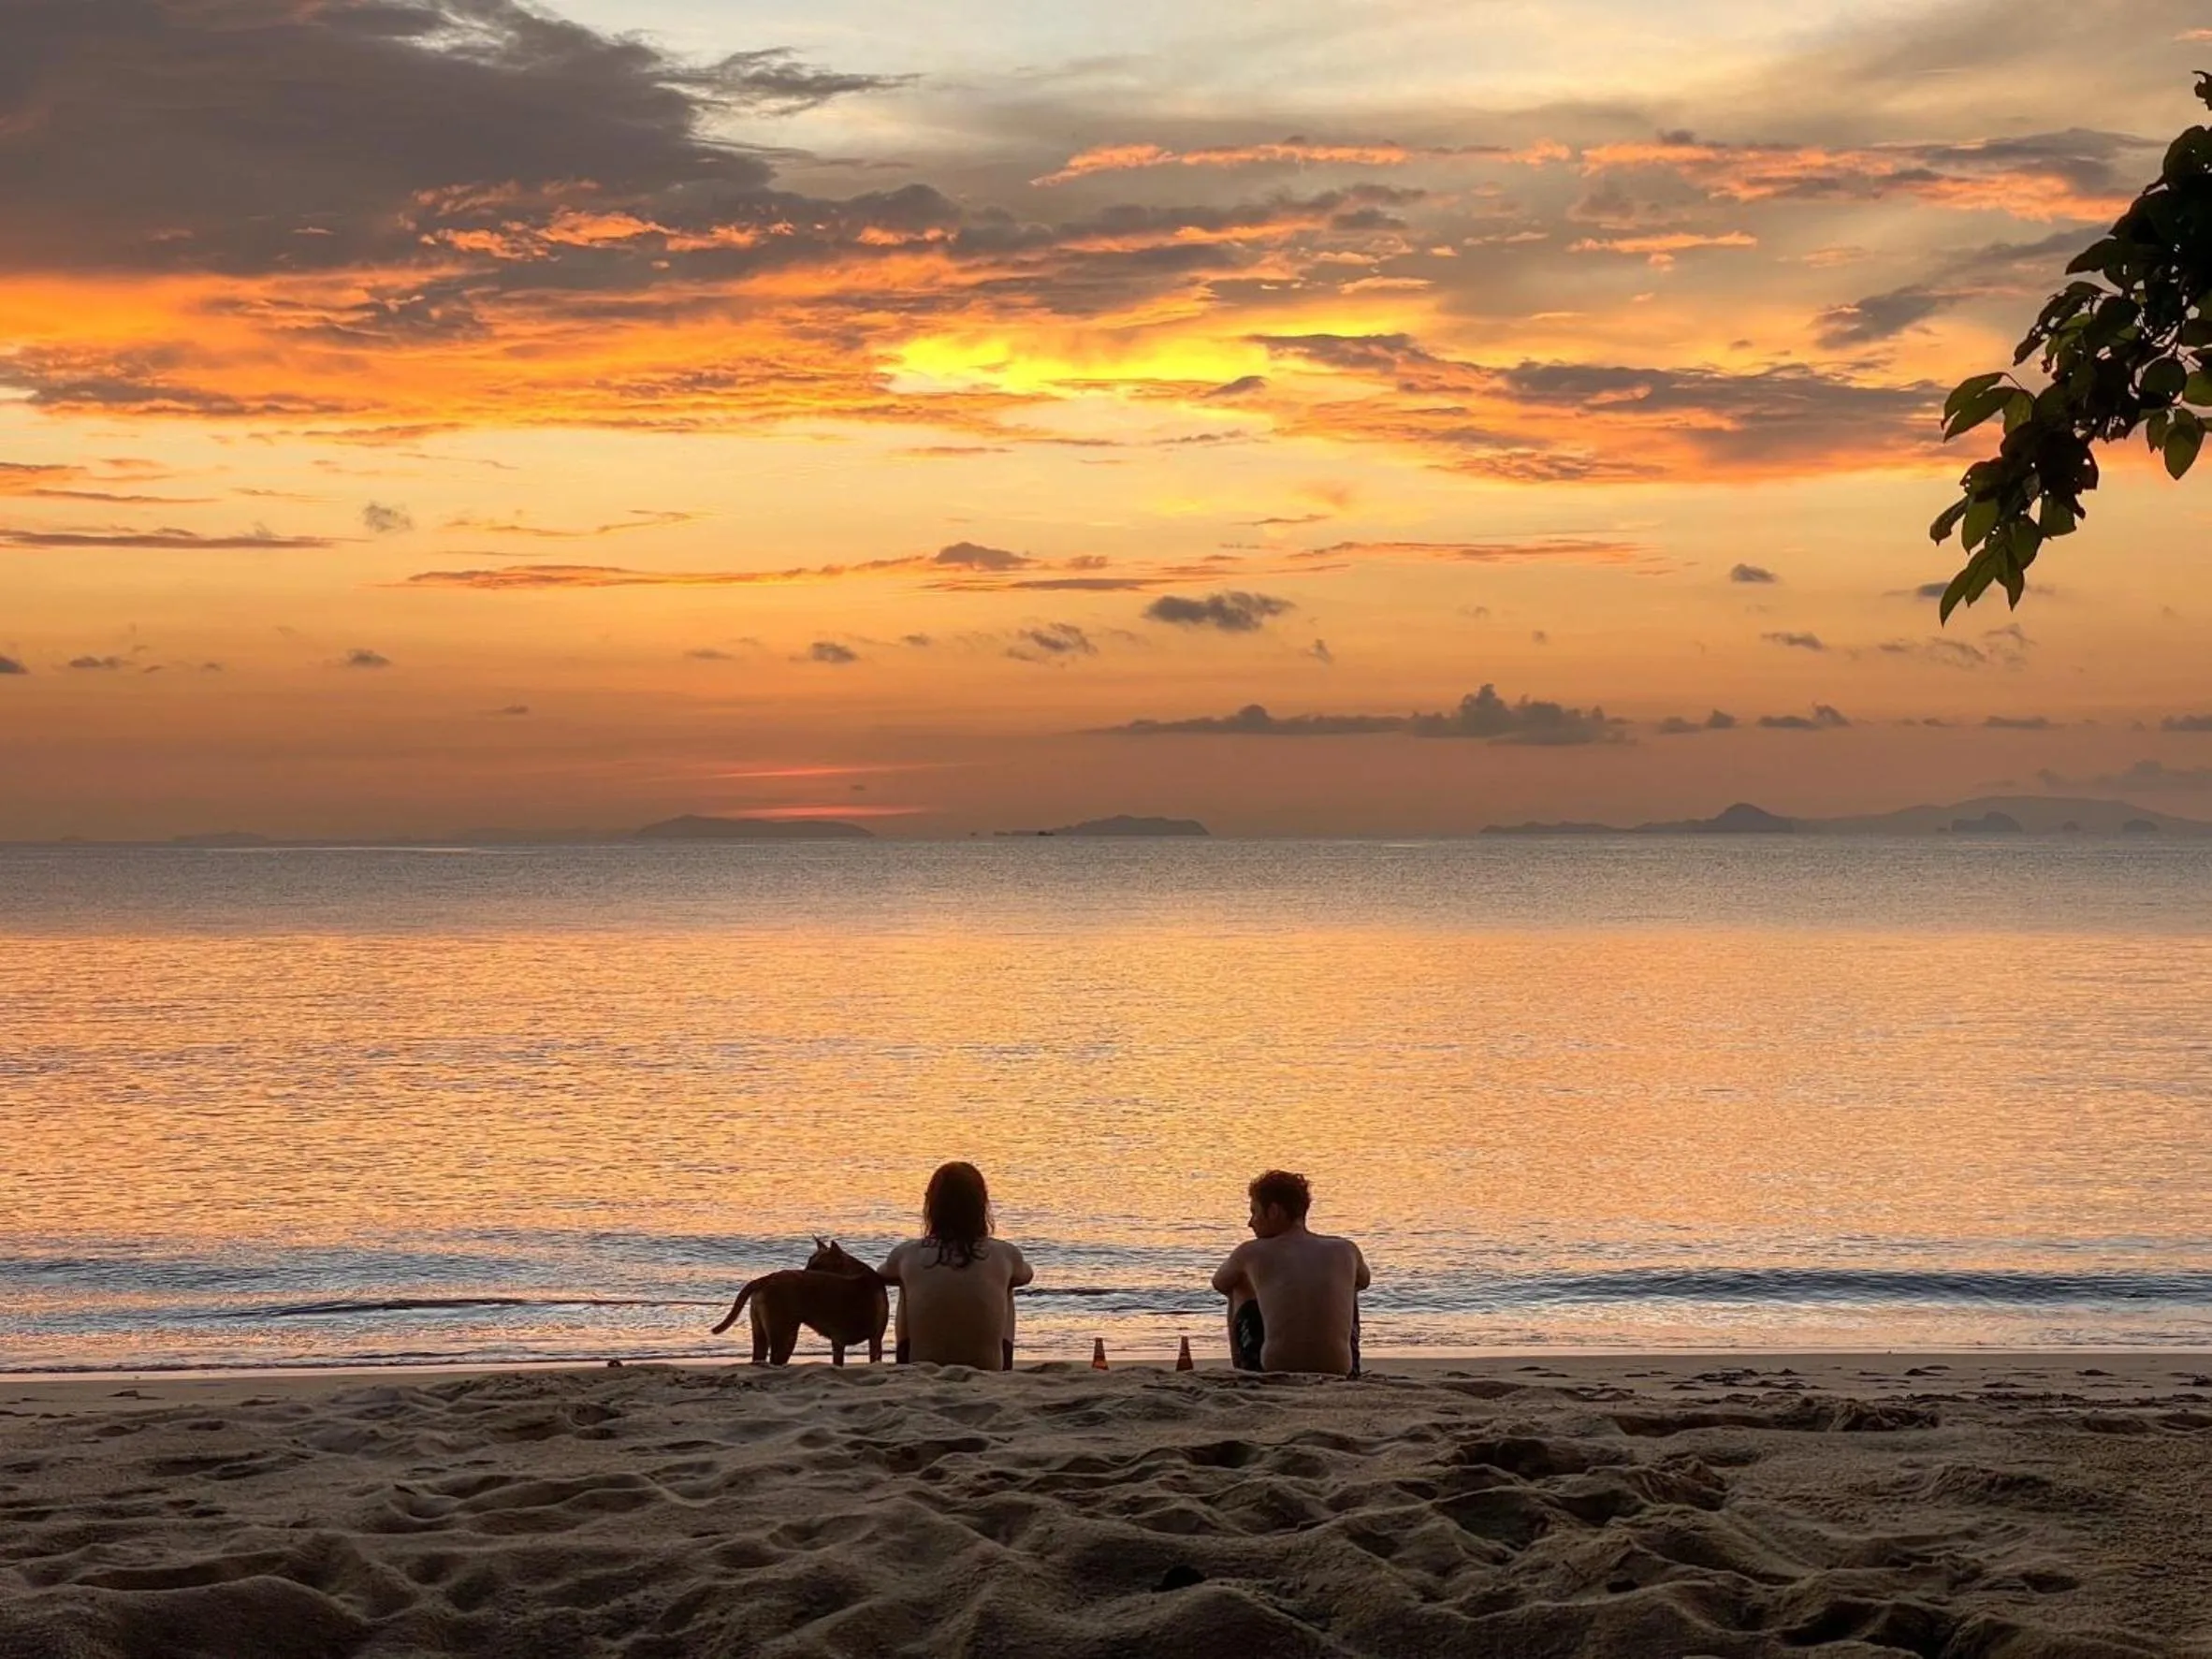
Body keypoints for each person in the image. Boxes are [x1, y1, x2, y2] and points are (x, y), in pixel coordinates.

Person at [1210, 1170, 1369, 1376]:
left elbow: (1220, 1283)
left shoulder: (1250, 1252)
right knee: (1350, 1284)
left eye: (1255, 1212)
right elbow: (1364, 1281)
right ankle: (1341, 1361)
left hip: (1273, 1369)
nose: (1250, 1222)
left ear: (1274, 1211)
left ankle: (1244, 1371)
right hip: (1338, 1370)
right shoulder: (1346, 1249)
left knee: (1238, 1286)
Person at [878, 1161, 1033, 1370]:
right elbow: (1026, 1275)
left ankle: (905, 1362)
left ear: (931, 1205)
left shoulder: (908, 1253)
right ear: (982, 1205)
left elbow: (881, 1275)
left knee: (905, 1284)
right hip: (987, 1369)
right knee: (1008, 1285)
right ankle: (1004, 1366)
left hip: (921, 1368)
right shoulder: (1005, 1253)